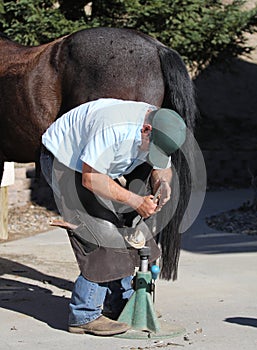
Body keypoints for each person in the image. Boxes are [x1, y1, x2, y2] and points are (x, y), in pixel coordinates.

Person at [40, 98, 186, 336]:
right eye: (152, 149)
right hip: (66, 161)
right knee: (99, 232)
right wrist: (136, 201)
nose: (153, 154)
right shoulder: (113, 129)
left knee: (130, 229)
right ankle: (83, 314)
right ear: (146, 129)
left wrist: (162, 186)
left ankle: (120, 303)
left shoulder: (161, 125)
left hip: (103, 165)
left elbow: (163, 168)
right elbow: (91, 179)